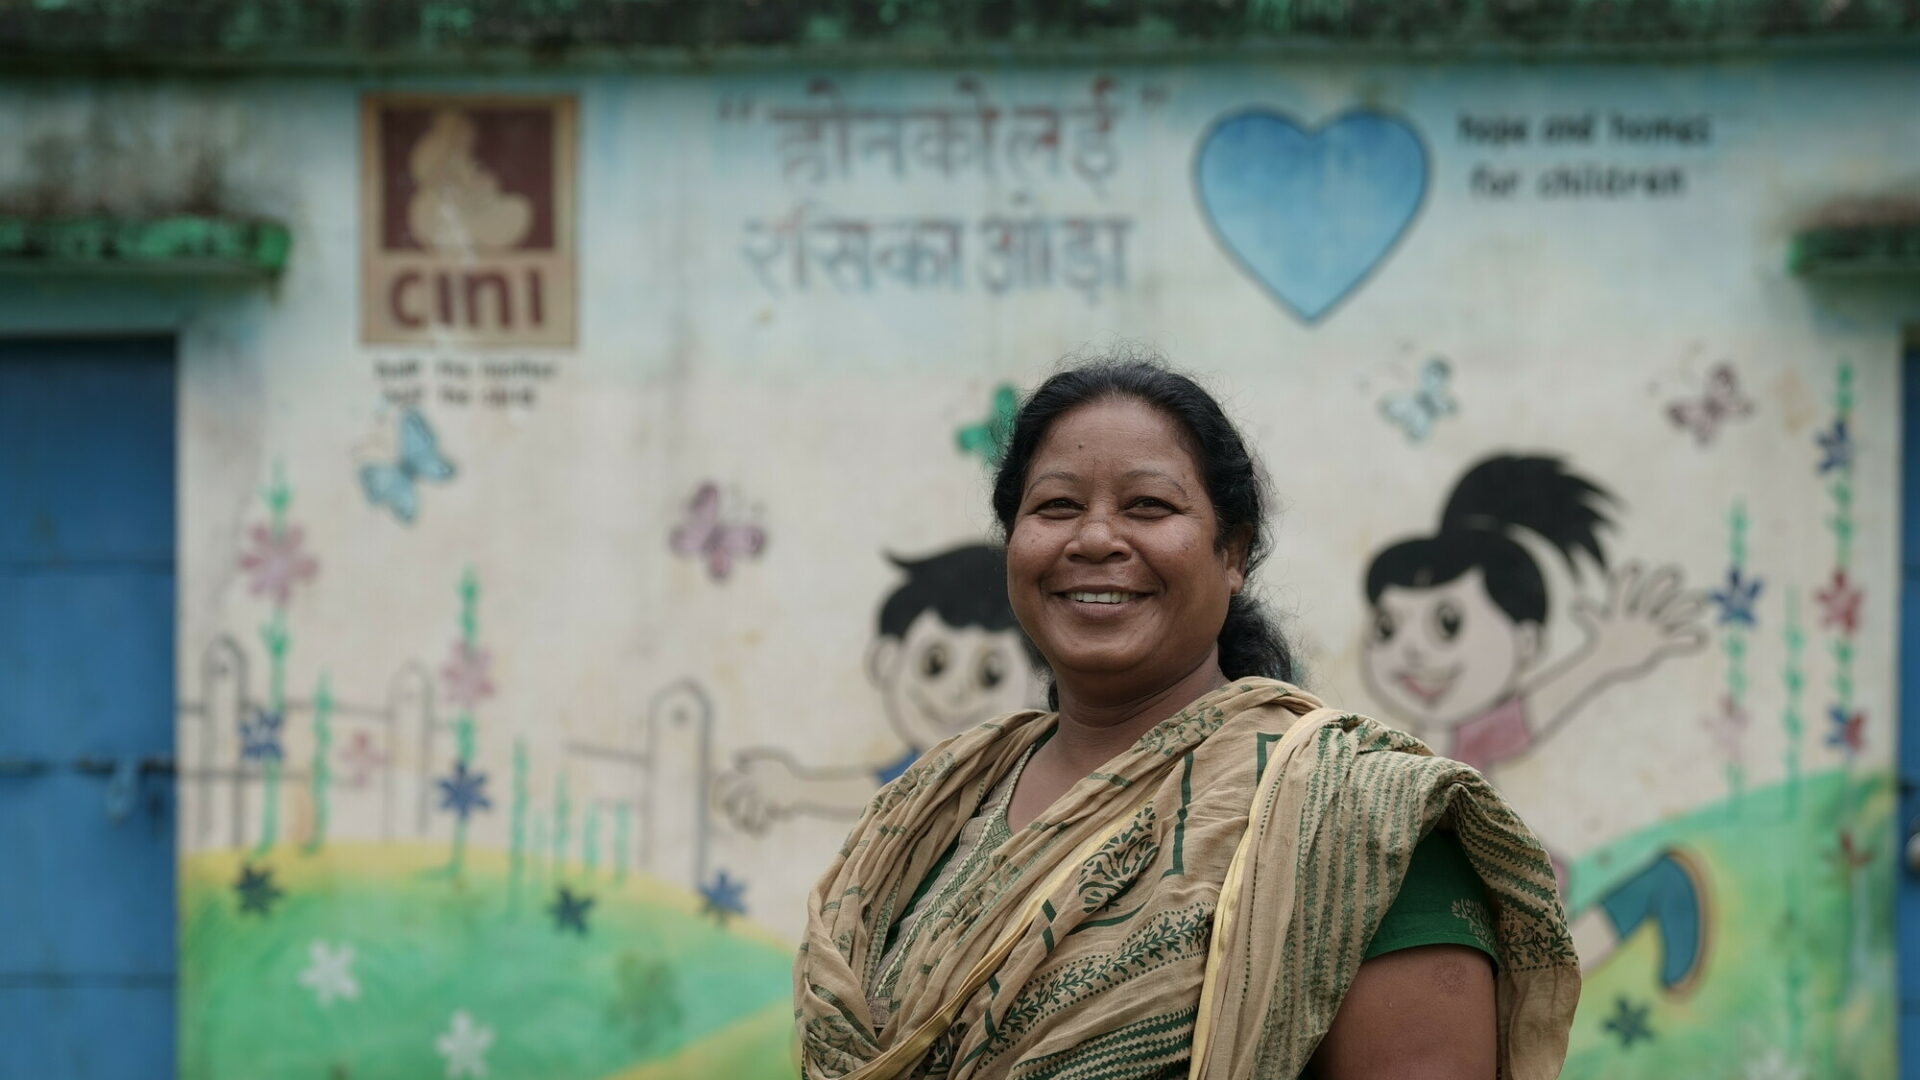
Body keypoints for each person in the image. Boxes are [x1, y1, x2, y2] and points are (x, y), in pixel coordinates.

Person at [794, 355, 1580, 1080]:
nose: (1096, 538)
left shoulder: (1357, 819)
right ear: (1014, 545)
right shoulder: (927, 811)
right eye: (1057, 506)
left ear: (1232, 552)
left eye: (1148, 506)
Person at [1361, 454, 1708, 993]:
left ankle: (1652, 890)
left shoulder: (1475, 735)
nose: (1410, 652)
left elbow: (1538, 706)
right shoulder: (1390, 742)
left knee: (1549, 969)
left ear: (1526, 644)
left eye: (1447, 623)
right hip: (1456, 890)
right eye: (1387, 626)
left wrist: (1604, 656)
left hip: (1496, 879)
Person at [717, 545, 1043, 832]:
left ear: (1037, 685)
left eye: (991, 674)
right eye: (935, 664)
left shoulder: (1028, 769)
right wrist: (797, 787)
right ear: (886, 660)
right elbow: (876, 791)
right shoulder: (922, 770)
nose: (957, 693)